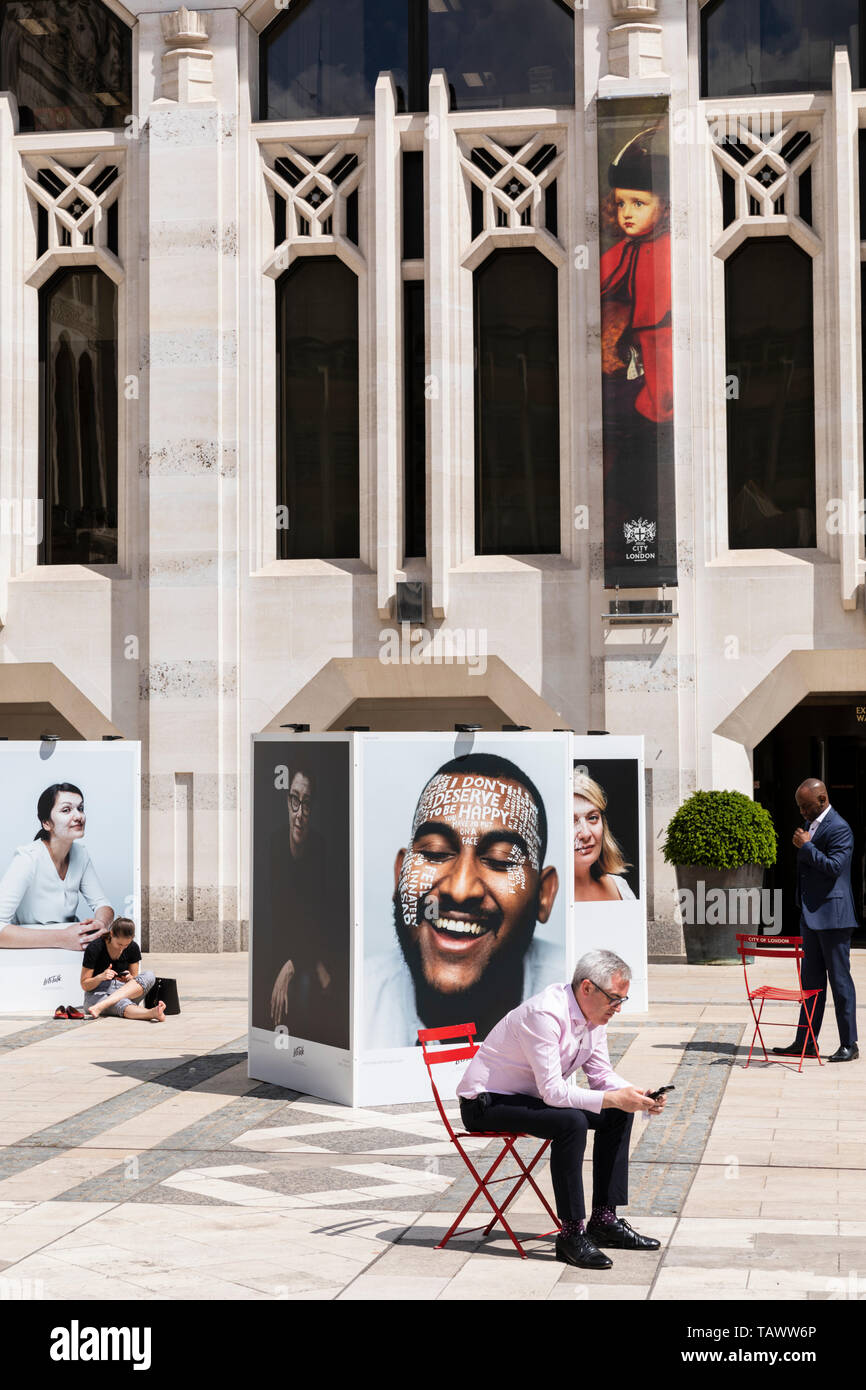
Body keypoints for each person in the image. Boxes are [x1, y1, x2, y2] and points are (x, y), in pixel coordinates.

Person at [458, 948, 665, 1269]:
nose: (618, 1008)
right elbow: (554, 1092)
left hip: (530, 1098)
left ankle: (604, 1221)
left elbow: (601, 1076)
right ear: (587, 988)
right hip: (485, 1103)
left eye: (622, 1000)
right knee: (570, 1122)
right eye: (614, 999)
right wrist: (614, 1097)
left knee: (617, 1112)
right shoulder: (544, 1014)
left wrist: (634, 1095)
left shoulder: (594, 1017)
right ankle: (570, 1234)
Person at [366, 752, 561, 1048]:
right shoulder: (349, 1005)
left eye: (500, 859)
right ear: (400, 874)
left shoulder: (571, 1007)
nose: (460, 889)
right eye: (434, 852)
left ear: (544, 895)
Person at [599, 123, 674, 577]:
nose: (627, 213)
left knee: (643, 479)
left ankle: (640, 553)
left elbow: (655, 326)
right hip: (627, 390)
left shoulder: (665, 255)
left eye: (639, 203)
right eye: (622, 203)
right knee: (622, 478)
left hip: (659, 392)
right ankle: (628, 551)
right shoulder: (618, 254)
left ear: (662, 207)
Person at [773, 778, 859, 1062]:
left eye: (806, 807)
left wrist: (807, 847)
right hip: (810, 916)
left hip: (834, 918)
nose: (802, 812)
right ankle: (806, 1041)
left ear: (822, 800)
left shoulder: (840, 828)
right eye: (799, 807)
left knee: (840, 982)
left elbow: (835, 868)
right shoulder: (812, 825)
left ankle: (850, 1044)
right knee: (810, 984)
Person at [262, 767, 348, 1049]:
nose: (300, 813)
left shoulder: (320, 849)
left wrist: (295, 964)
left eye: (307, 803)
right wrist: (289, 965)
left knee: (321, 983)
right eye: (294, 800)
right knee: (307, 986)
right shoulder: (273, 848)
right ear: (287, 802)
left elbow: (322, 920)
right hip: (278, 953)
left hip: (306, 954)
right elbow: (275, 921)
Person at [0, 783, 113, 951]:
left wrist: (100, 924)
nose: (78, 816)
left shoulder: (81, 854)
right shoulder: (27, 858)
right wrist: (62, 938)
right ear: (46, 823)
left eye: (80, 808)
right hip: (29, 951)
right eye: (66, 810)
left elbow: (103, 905)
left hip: (69, 950)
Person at [80, 918, 165, 1021]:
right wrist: (100, 977)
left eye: (126, 945)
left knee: (149, 975)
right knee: (121, 1003)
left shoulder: (133, 948)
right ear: (111, 934)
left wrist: (130, 978)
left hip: (125, 991)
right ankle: (151, 1013)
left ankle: (103, 1005)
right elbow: (85, 985)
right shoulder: (95, 948)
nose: (122, 948)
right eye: (119, 944)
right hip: (99, 993)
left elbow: (135, 980)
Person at [573, 770, 636, 902]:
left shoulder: (620, 887)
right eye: (571, 821)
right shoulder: (542, 901)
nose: (585, 834)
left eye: (593, 818)